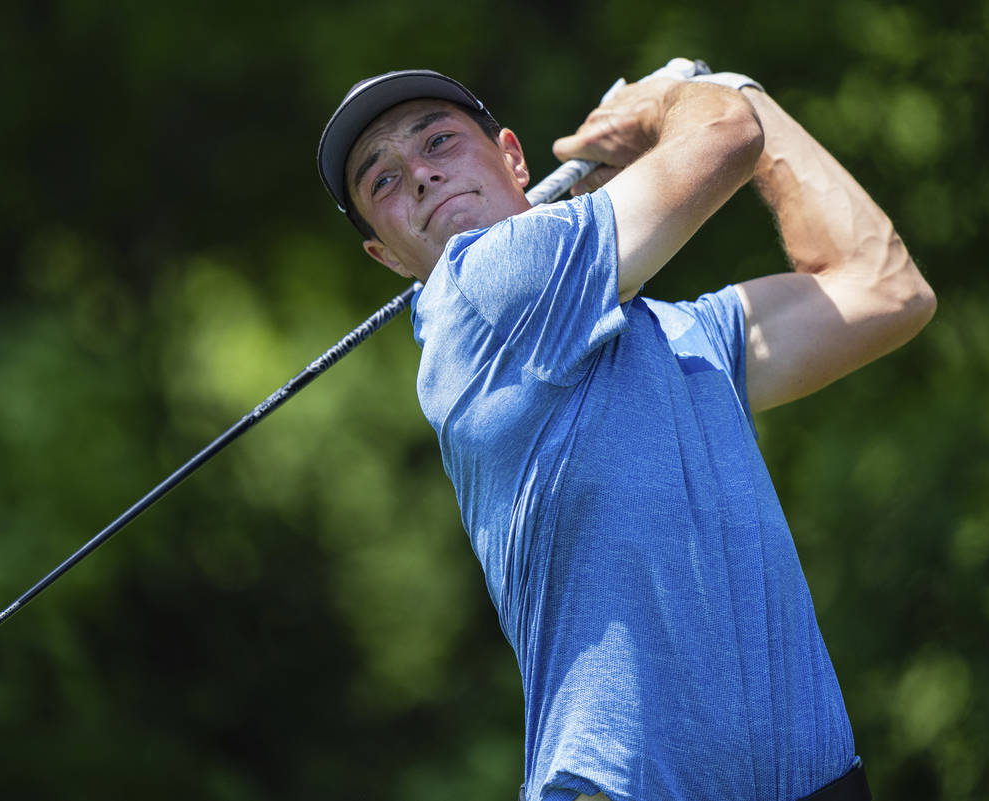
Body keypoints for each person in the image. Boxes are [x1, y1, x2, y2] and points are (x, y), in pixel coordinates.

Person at [316, 62, 935, 801]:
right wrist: (682, 96)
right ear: (387, 256)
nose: (417, 174)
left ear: (513, 156)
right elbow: (725, 138)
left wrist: (742, 92)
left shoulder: (679, 338)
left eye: (439, 141)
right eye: (381, 180)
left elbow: (886, 289)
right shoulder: (481, 287)